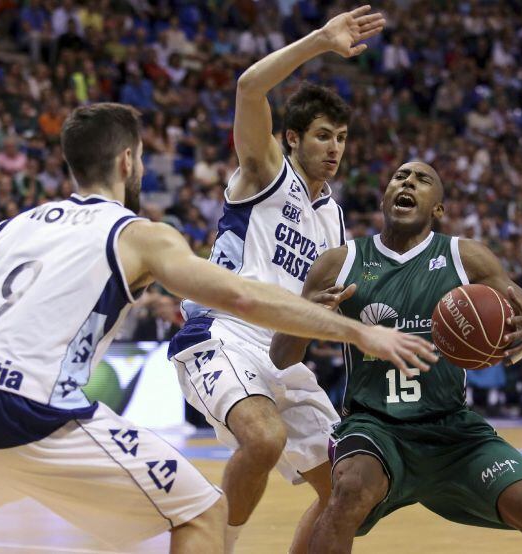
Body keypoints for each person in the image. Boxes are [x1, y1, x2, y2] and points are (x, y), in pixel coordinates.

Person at [0, 103, 434, 554]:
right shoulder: (139, 234)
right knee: (203, 516)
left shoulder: (14, 226)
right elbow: (241, 293)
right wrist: (356, 332)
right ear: (129, 161)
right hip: (32, 411)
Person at [167, 6, 385, 552]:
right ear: (291, 138)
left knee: (350, 491)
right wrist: (320, 40)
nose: (334, 149)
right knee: (265, 438)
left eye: (340, 138)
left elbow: (310, 314)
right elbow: (247, 88)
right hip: (222, 334)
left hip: (280, 355)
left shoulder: (334, 219)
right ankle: (218, 544)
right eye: (321, 136)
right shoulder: (265, 171)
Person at [270, 161, 522, 553]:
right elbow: (280, 355)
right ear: (385, 197)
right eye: (399, 177)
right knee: (349, 492)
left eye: (422, 179)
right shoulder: (338, 263)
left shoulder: (465, 257)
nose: (408, 181)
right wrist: (308, 320)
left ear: (437, 209)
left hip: (453, 432)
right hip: (374, 428)